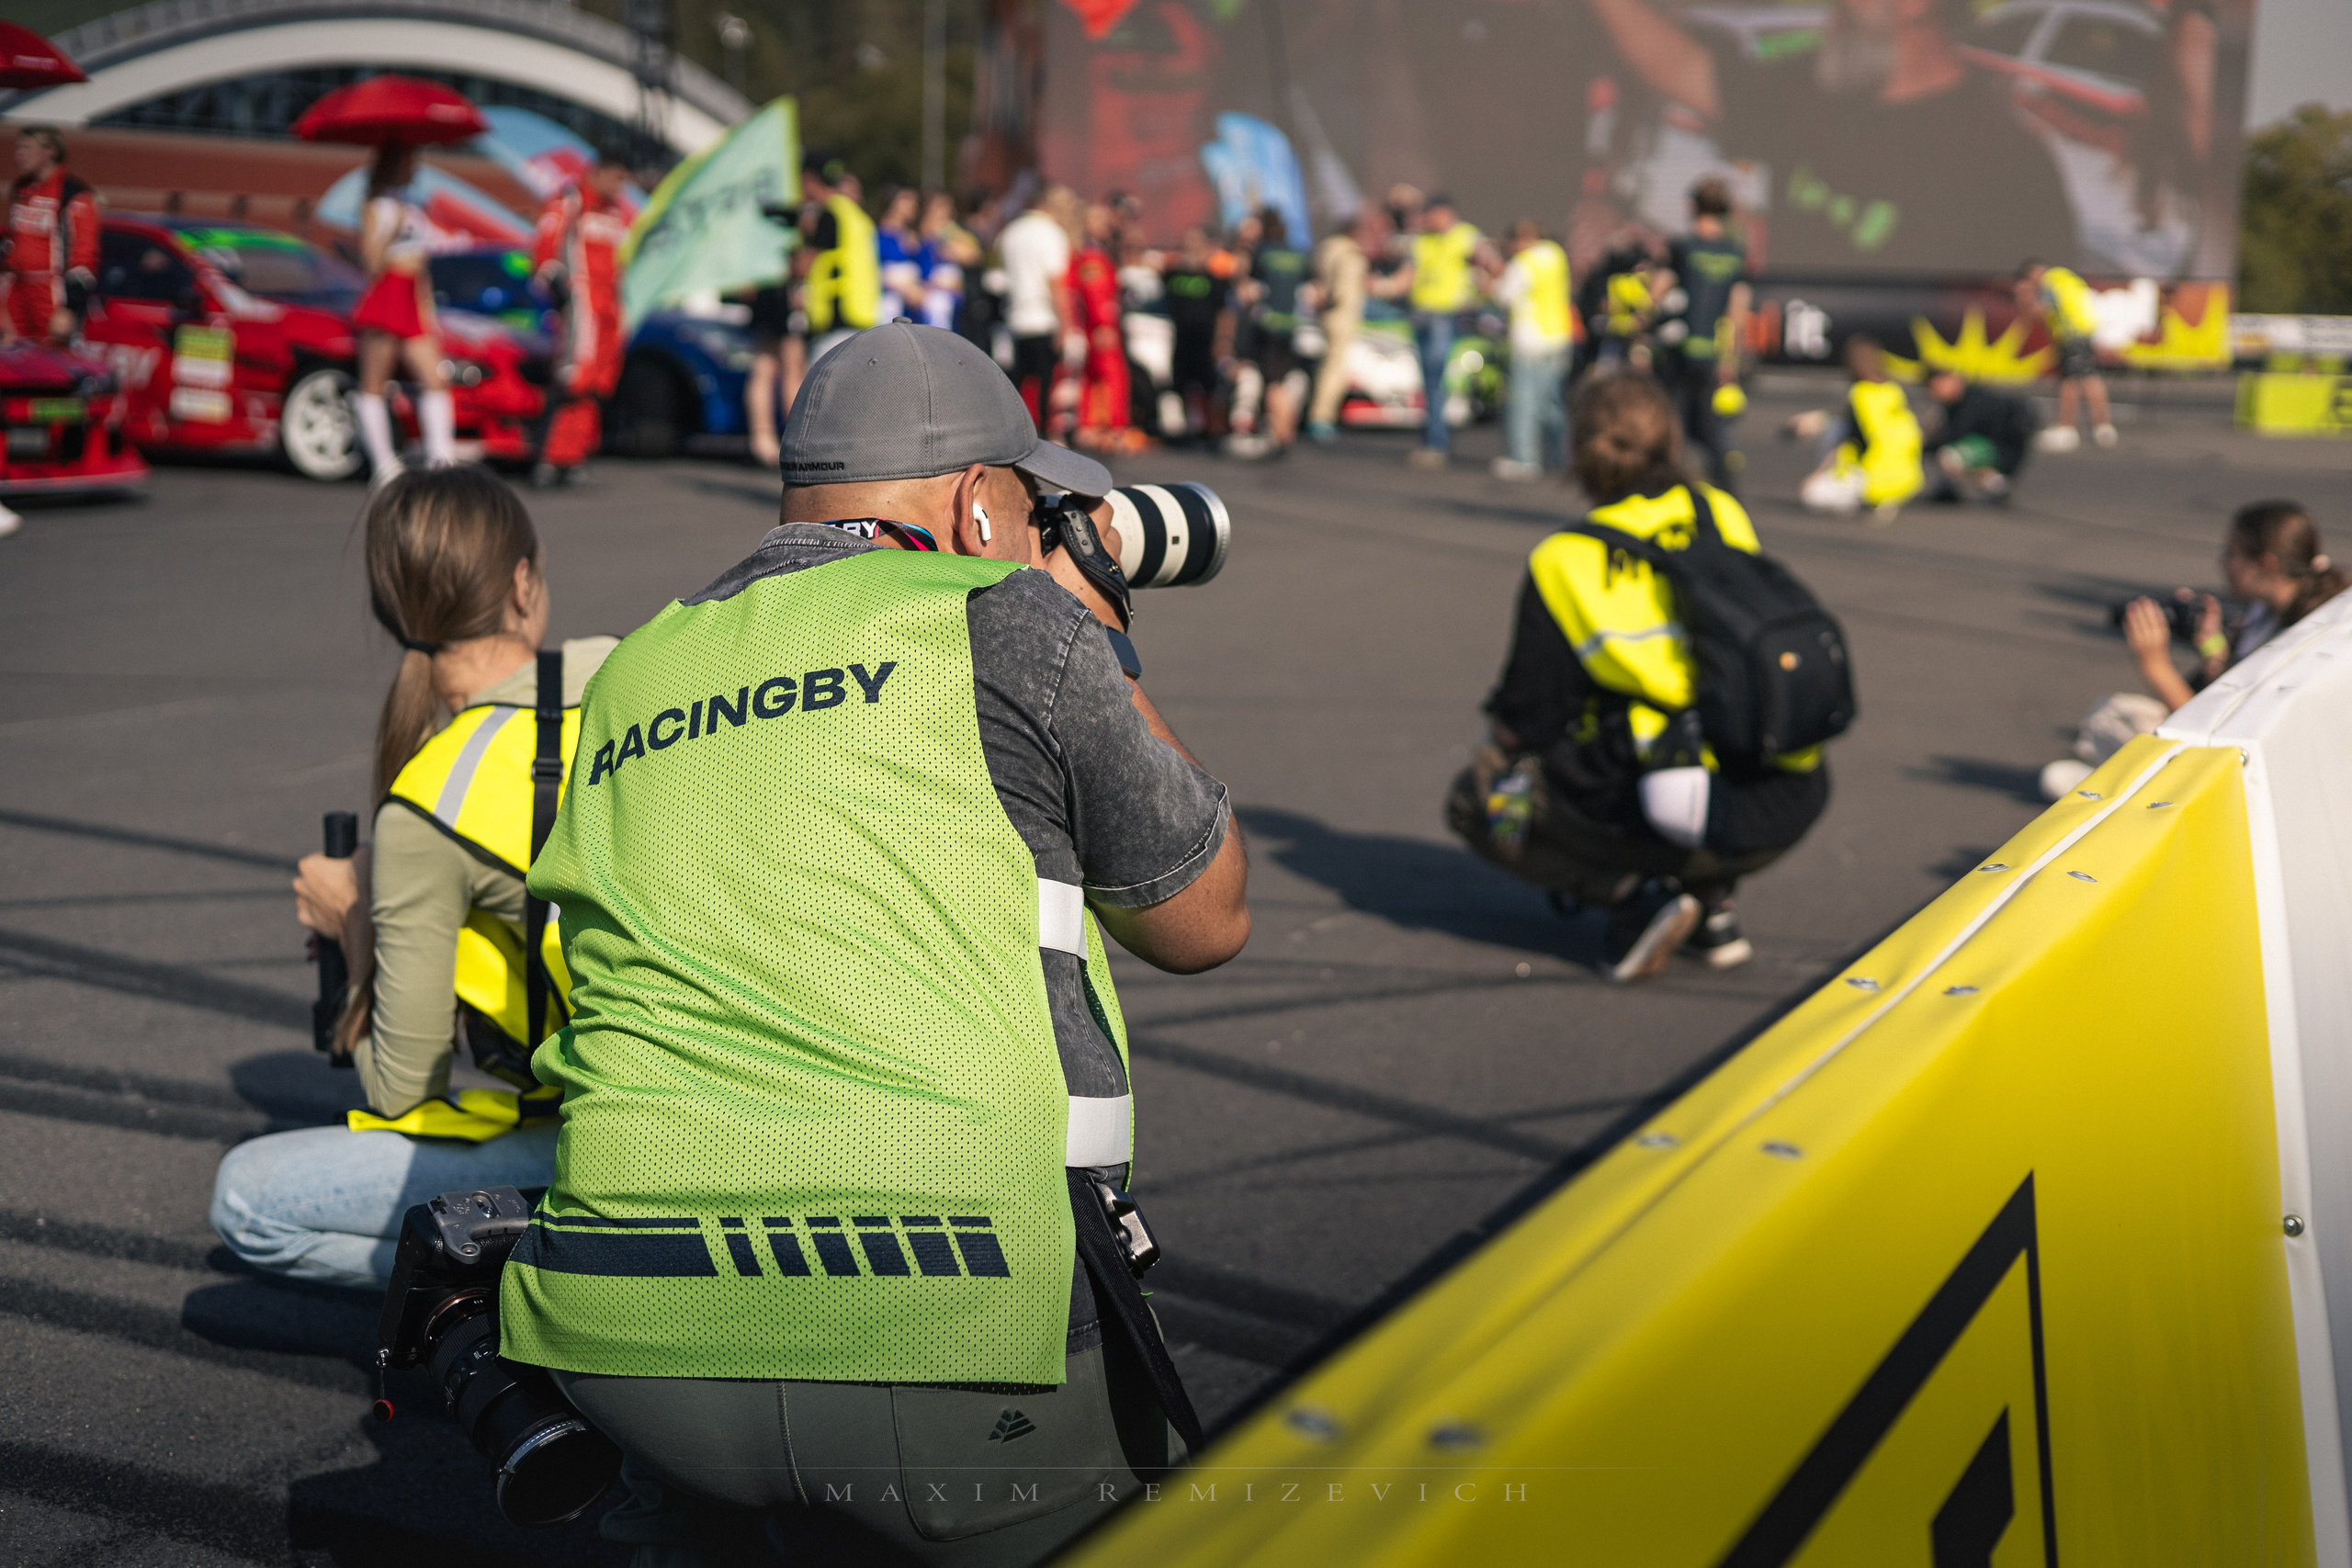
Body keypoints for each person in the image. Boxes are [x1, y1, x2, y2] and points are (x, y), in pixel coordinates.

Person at [499, 321, 1250, 1562]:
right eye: (1032, 502)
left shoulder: (635, 666)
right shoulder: (1008, 620)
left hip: (626, 1323)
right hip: (939, 1318)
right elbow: (1205, 917)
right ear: (974, 504)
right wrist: (1096, 628)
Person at [209, 468, 615, 1287]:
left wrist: (356, 924)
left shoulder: (430, 799)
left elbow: (402, 1091)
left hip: (611, 1146)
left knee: (244, 1202)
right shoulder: (627, 679)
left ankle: (514, 1303)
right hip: (752, 1107)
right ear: (523, 583)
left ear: (394, 615)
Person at [1447, 373, 1828, 981]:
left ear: (1576, 452)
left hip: (1672, 801)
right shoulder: (1718, 510)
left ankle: (1634, 897)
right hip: (1785, 794)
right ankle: (1712, 903)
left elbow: (1528, 713)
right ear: (1670, 443)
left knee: (1480, 798)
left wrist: (1505, 748)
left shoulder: (1565, 558)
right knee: (1715, 729)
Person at [1581, 0, 2075, 275]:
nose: (1832, 11)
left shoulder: (2008, 160)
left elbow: (2041, 322)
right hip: (1788, 390)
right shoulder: (1811, 93)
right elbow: (1682, 68)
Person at [2041, 501, 2346, 798]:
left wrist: (2155, 665)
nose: (2223, 563)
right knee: (2114, 716)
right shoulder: (2272, 609)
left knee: (2116, 719)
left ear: (2266, 564)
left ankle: (2124, 791)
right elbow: (2234, 686)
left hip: (2275, 777)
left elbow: (2222, 733)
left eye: (2232, 554)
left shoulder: (2299, 640)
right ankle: (2119, 781)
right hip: (2289, 759)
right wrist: (2213, 646)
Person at [347, 141, 456, 483]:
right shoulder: (374, 205)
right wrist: (390, 230)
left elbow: (421, 264)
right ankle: (383, 465)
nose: (415, 167)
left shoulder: (413, 205)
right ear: (393, 162)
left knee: (435, 379)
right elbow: (370, 262)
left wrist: (429, 314)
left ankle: (442, 459)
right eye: (410, 160)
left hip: (412, 293)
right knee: (374, 383)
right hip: (386, 291)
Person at [529, 157, 631, 488]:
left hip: (609, 309)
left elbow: (622, 260)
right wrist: (557, 287)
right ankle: (547, 457)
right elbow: (545, 247)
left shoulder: (615, 212)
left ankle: (574, 456)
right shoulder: (571, 199)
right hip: (582, 304)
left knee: (597, 383)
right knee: (573, 378)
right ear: (597, 171)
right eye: (615, 177)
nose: (619, 187)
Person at [1657, 177, 1751, 491]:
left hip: (1679, 350)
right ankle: (1727, 493)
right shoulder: (1733, 252)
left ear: (1693, 206)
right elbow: (1737, 309)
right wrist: (1731, 357)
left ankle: (1670, 488)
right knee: (1711, 429)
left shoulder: (1683, 247)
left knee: (1673, 423)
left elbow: (1660, 291)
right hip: (1711, 352)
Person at [1384, 194, 1483, 468]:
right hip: (1422, 315)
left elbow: (1485, 262)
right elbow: (1407, 274)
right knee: (1429, 381)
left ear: (1447, 214)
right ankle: (1433, 440)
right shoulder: (1421, 241)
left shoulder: (1465, 236)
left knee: (1437, 377)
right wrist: (1384, 288)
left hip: (1446, 315)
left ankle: (1437, 442)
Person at [1793, 334, 1923, 521]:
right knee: (1835, 423)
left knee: (1811, 494)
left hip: (1874, 479)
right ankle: (1881, 497)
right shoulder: (1894, 391)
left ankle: (1858, 500)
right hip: (1910, 478)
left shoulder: (1859, 394)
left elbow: (1850, 441)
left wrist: (1817, 474)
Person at [2, 126, 99, 348]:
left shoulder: (74, 193)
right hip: (16, 292)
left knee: (52, 361)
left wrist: (70, 308)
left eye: (27, 148)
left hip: (51, 293)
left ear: (50, 152)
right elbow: (10, 243)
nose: (19, 154)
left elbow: (84, 256)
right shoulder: (21, 188)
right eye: (18, 148)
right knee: (12, 359)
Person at [1491, 219, 1573, 481]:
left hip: (1530, 341)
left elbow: (1503, 296)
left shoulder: (1523, 263)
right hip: (1558, 337)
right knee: (1551, 402)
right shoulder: (1556, 255)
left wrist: (1490, 279)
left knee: (1524, 403)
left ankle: (1525, 459)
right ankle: (1561, 455)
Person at [999, 185, 1075, 432]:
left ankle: (1014, 433)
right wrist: (1066, 324)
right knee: (1045, 383)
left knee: (1019, 382)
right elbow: (1056, 283)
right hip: (1044, 318)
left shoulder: (1011, 232)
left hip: (1016, 318)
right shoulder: (1051, 233)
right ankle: (1042, 436)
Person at [2017, 260, 2114, 451]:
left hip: (2071, 335)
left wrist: (2024, 300)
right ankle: (2103, 428)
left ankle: (2066, 429)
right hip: (2083, 331)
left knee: (2070, 381)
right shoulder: (2067, 278)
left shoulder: (2050, 282)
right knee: (2089, 378)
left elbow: (2041, 311)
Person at [1237, 206, 1307, 457]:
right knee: (1286, 380)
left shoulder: (1262, 253)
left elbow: (1248, 289)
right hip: (1290, 325)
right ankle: (1286, 429)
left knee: (1273, 382)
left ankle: (1281, 434)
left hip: (1267, 325)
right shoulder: (1297, 254)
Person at [800, 155, 881, 368]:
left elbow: (803, 265)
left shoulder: (830, 215)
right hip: (861, 315)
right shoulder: (858, 217)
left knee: (819, 393)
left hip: (835, 318)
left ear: (810, 181)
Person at [1306, 209, 1376, 443]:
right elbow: (1343, 290)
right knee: (1334, 368)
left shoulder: (1325, 249)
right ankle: (1321, 417)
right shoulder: (1351, 255)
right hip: (1341, 315)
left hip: (1324, 316)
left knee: (1325, 364)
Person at [1070, 201, 1132, 452]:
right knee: (1110, 374)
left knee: (1095, 376)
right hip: (1099, 326)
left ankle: (1094, 426)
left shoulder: (1098, 252)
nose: (1105, 224)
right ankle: (1111, 428)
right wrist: (1103, 324)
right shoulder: (1091, 256)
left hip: (1095, 325)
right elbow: (1095, 294)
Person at [1161, 225, 1232, 441]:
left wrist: (1223, 340)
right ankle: (1184, 429)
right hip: (1181, 338)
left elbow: (1225, 312)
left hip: (1206, 339)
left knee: (1209, 385)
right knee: (1179, 383)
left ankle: (1212, 429)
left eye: (1196, 244)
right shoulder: (1172, 275)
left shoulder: (1216, 279)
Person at [1924, 368, 2037, 502]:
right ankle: (1948, 485)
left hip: (2002, 450)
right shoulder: (1953, 404)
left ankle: (1996, 484)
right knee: (1942, 441)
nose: (1935, 392)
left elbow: (1954, 436)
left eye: (1938, 386)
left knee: (1950, 456)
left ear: (1954, 380)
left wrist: (1923, 444)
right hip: (1990, 446)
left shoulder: (1975, 401)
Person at [876, 186, 932, 326]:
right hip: (889, 299)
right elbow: (873, 271)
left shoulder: (915, 239)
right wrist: (903, 289)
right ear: (892, 203)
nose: (913, 205)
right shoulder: (876, 236)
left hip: (916, 300)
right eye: (906, 200)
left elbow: (927, 271)